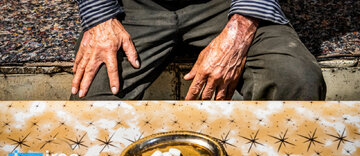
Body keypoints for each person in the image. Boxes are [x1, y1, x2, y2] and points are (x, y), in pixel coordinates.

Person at [71, 0, 326, 100]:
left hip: (229, 5)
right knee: (90, 105)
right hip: (130, 6)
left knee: (295, 80)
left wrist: (243, 23)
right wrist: (100, 15)